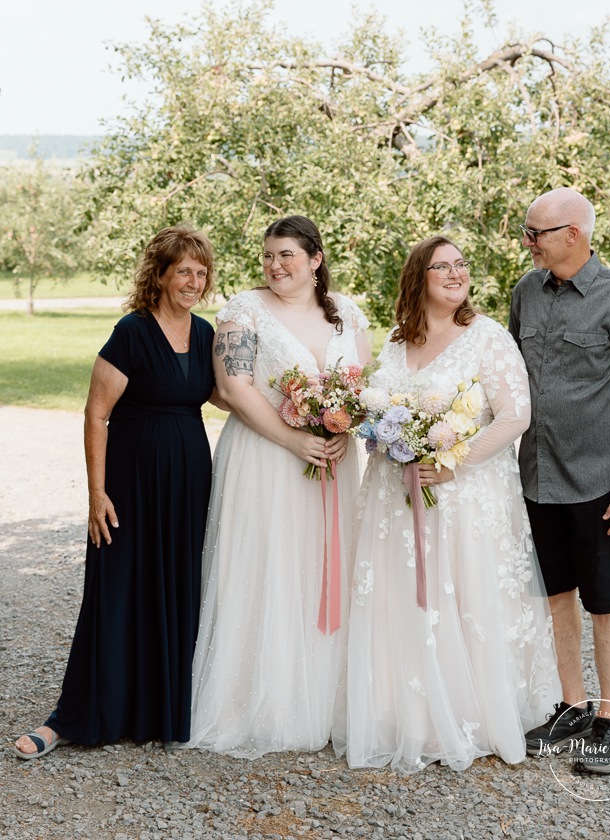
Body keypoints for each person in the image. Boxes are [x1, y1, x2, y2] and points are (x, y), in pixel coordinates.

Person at [336, 236, 560, 773]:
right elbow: (380, 407)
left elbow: (515, 416)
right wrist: (389, 441)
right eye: (443, 266)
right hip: (396, 494)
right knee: (401, 595)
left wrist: (454, 461)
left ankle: (469, 714)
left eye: (462, 265)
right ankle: (404, 714)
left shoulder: (487, 337)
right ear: (419, 276)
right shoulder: (396, 340)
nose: (456, 274)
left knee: (461, 594)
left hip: (464, 495)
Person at [15, 226, 219, 759]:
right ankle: (74, 717)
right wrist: (96, 493)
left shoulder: (204, 335)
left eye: (201, 273)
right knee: (117, 591)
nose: (193, 282)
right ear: (160, 275)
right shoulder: (132, 331)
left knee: (175, 589)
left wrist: (301, 411)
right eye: (184, 272)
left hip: (187, 486)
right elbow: (96, 414)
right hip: (129, 486)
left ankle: (156, 712)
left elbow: (229, 396)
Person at [187, 214, 372, 757]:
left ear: (315, 260)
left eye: (286, 254)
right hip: (265, 457)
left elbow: (363, 384)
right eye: (268, 255)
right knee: (267, 564)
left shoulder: (348, 312)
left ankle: (322, 698)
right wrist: (293, 440)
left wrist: (344, 426)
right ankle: (255, 702)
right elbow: (233, 386)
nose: (274, 265)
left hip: (333, 461)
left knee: (321, 566)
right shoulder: (244, 310)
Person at [509, 187, 610, 774]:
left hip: (599, 479)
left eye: (535, 233)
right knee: (555, 595)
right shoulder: (525, 292)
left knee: (606, 600)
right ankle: (573, 705)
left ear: (572, 233)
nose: (527, 243)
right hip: (536, 475)